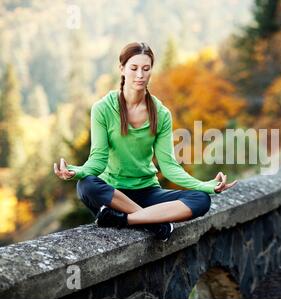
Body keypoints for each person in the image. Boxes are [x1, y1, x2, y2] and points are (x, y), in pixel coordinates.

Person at [53, 41, 237, 241]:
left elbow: (169, 167)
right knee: (85, 185)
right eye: (134, 68)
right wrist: (75, 172)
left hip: (148, 192)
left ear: (151, 71)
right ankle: (155, 222)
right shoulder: (103, 109)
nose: (140, 75)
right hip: (113, 195)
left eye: (146, 69)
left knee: (200, 200)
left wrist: (207, 186)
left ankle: (125, 220)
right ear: (122, 69)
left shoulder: (161, 114)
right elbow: (98, 161)